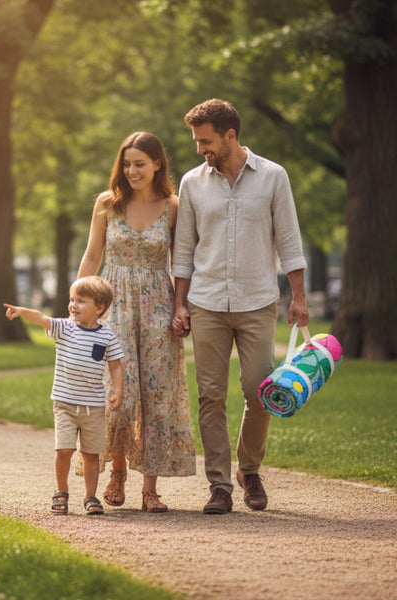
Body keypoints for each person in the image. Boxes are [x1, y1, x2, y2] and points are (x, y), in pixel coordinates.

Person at [172, 98, 309, 514]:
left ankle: (248, 470)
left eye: (206, 141)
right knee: (210, 396)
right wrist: (180, 303)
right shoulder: (192, 183)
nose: (201, 149)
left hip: (257, 300)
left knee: (260, 391)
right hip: (207, 302)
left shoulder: (273, 177)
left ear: (231, 135)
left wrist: (299, 297)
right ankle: (219, 485)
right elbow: (183, 249)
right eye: (197, 142)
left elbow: (288, 239)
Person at [78, 131, 196, 513]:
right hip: (113, 307)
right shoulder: (107, 204)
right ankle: (116, 473)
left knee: (157, 393)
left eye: (140, 164)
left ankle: (151, 488)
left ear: (158, 163)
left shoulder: (173, 206)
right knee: (119, 391)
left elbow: (182, 264)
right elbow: (93, 255)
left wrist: (182, 306)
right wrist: (78, 303)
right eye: (127, 164)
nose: (132, 171)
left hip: (158, 307)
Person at [4, 275, 124, 516]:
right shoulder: (64, 328)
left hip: (93, 407)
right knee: (64, 450)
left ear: (99, 308)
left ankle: (90, 497)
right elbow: (42, 318)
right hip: (65, 403)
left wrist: (118, 391)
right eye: (72, 300)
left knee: (91, 454)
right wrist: (22, 311)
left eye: (81, 301)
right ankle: (61, 492)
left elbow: (116, 364)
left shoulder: (107, 335)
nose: (73, 305)